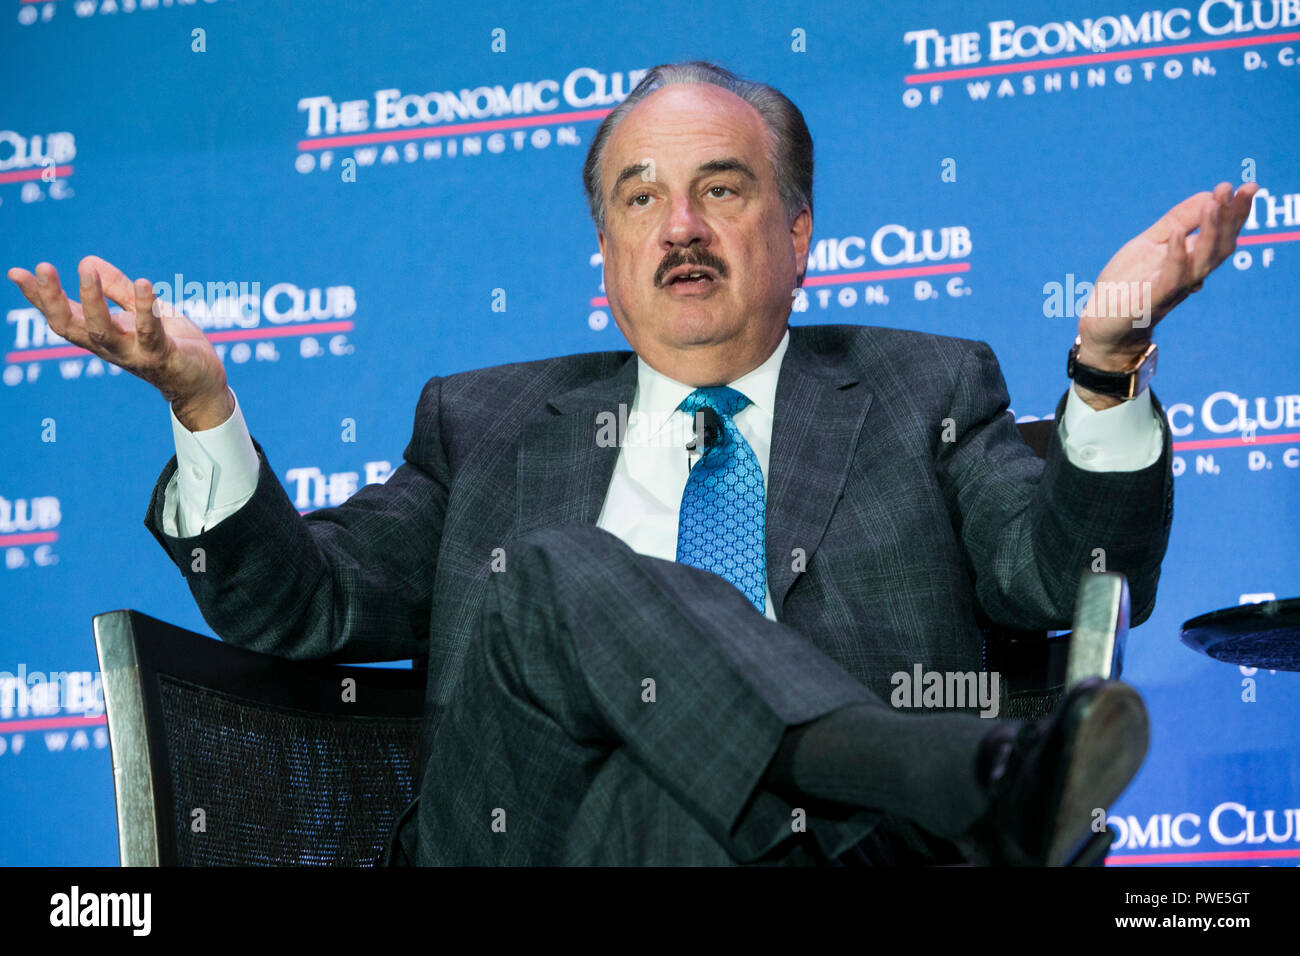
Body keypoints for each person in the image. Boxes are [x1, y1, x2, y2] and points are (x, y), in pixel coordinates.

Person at [8, 61, 1257, 866]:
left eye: (722, 188)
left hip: (830, 853)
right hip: (516, 838)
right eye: (640, 199)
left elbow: (1069, 574)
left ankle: (881, 779)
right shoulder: (481, 421)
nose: (683, 229)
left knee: (674, 809)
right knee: (552, 566)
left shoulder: (926, 388)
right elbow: (305, 605)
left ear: (799, 231)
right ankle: (954, 771)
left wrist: (1103, 365)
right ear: (602, 253)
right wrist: (203, 403)